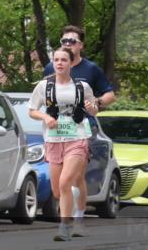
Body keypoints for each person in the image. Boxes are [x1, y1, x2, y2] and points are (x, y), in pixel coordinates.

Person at [43, 25, 115, 232]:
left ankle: (78, 217)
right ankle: (69, 207)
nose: (67, 45)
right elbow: (43, 96)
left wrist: (96, 103)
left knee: (75, 176)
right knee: (59, 186)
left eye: (71, 41)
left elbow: (110, 95)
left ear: (80, 46)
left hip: (83, 126)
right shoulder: (50, 68)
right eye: (64, 41)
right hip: (57, 130)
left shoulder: (90, 69)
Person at [30, 47, 98, 241]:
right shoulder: (45, 86)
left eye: (63, 60)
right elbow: (32, 110)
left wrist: (92, 108)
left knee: (66, 181)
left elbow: (93, 111)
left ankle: (67, 225)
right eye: (56, 60)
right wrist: (45, 117)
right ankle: (74, 210)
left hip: (77, 138)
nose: (59, 63)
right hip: (53, 140)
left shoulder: (82, 87)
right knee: (57, 190)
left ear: (71, 63)